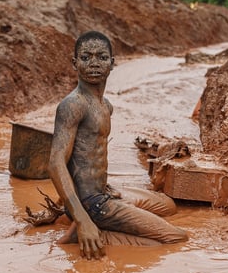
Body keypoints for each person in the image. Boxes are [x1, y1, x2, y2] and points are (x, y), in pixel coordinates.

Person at [48, 31, 189, 259]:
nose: (94, 63)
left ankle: (86, 218)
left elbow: (81, 158)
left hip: (103, 192)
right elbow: (56, 163)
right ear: (75, 63)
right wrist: (83, 219)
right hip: (93, 205)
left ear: (112, 64)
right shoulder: (73, 105)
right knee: (177, 237)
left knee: (168, 206)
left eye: (102, 57)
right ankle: (95, 233)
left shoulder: (106, 106)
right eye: (86, 57)